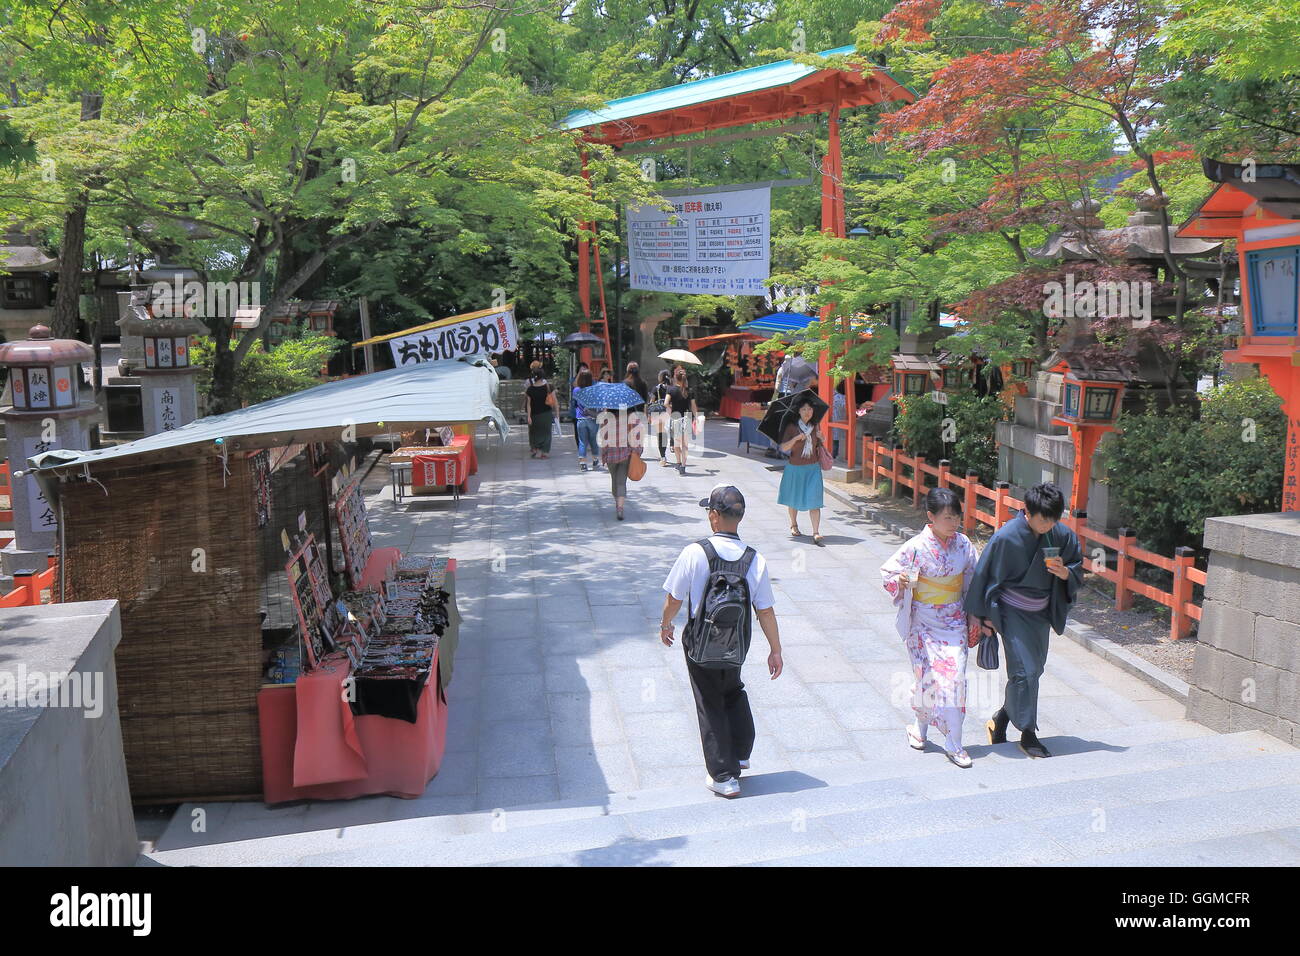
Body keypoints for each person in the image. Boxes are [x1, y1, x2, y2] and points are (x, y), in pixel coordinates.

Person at [660, 485, 783, 798]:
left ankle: (723, 775)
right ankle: (741, 753)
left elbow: (674, 597)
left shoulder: (695, 552)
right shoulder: (756, 560)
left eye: (708, 511)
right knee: (732, 689)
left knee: (709, 700)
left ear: (714, 516)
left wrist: (665, 624)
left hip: (700, 643)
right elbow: (765, 610)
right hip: (736, 643)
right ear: (739, 517)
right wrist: (775, 649)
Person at [964, 481, 1084, 759]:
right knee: (1024, 672)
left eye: (1054, 520)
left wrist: (1065, 573)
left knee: (1034, 670)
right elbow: (984, 576)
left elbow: (1077, 567)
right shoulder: (1006, 537)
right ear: (1027, 512)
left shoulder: (1061, 535)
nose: (1048, 526)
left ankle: (1001, 719)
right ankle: (1028, 734)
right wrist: (982, 617)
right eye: (1043, 520)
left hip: (1040, 613)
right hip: (1011, 612)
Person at [881, 488, 982, 768]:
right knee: (925, 678)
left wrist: (975, 616)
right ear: (931, 517)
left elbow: (974, 581)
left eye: (957, 517)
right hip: (922, 621)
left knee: (953, 679)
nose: (954, 523)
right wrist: (900, 580)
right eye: (948, 518)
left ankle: (954, 741)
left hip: (953, 621)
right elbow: (888, 573)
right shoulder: (915, 546)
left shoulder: (963, 545)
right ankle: (919, 726)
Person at [777, 396, 827, 545]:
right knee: (793, 498)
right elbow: (783, 447)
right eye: (804, 409)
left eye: (810, 409)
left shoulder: (815, 426)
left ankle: (816, 532)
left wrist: (821, 438)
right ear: (798, 411)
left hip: (813, 468)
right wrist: (796, 439)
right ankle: (794, 524)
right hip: (795, 468)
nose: (807, 412)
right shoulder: (792, 427)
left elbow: (819, 446)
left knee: (815, 500)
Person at [599, 407, 643, 521]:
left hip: (611, 455)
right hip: (626, 455)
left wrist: (603, 455)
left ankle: (617, 502)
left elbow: (603, 439)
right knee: (621, 482)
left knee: (614, 480)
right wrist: (637, 452)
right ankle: (620, 507)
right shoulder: (631, 418)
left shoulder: (605, 419)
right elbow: (638, 437)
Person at [666, 366, 699, 476]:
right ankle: (683, 466)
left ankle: (678, 463)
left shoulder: (671, 389)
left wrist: (670, 409)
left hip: (676, 418)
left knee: (676, 444)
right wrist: (697, 417)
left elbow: (665, 403)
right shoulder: (689, 390)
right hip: (687, 418)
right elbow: (693, 406)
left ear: (675, 378)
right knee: (685, 445)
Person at [524, 361, 558, 459]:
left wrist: (529, 416)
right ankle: (545, 452)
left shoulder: (530, 389)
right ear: (543, 376)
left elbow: (529, 404)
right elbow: (555, 402)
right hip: (546, 413)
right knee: (547, 432)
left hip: (535, 414)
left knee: (535, 432)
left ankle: (537, 449)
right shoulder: (549, 387)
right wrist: (556, 414)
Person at [572, 369, 600, 472]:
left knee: (582, 441)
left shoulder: (576, 390)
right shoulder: (593, 390)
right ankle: (595, 460)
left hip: (580, 418)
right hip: (592, 418)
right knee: (593, 440)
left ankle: (583, 463)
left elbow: (574, 402)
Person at [651, 370, 672, 466]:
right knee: (668, 432)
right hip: (668, 412)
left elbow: (651, 401)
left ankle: (663, 457)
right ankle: (671, 444)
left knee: (660, 435)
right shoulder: (672, 388)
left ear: (660, 377)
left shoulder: (656, 388)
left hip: (657, 413)